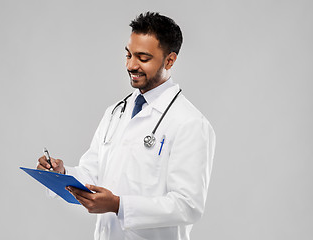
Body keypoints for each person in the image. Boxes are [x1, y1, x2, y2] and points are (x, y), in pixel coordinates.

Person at [37, 12, 216, 240]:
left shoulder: (190, 123)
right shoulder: (115, 112)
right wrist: (61, 174)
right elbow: (93, 174)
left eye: (143, 58)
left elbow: (188, 205)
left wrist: (119, 206)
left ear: (169, 60)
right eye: (128, 55)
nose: (131, 65)